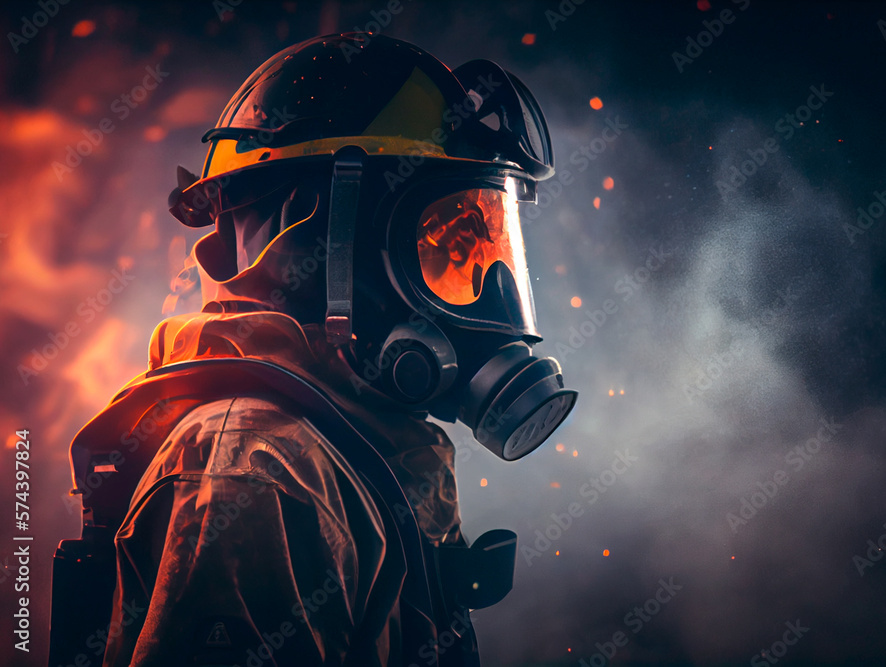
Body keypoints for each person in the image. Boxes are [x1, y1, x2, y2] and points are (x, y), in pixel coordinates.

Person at [49, 32, 577, 667]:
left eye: (483, 247)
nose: (486, 296)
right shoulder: (254, 472)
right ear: (319, 238)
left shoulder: (332, 447)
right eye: (436, 244)